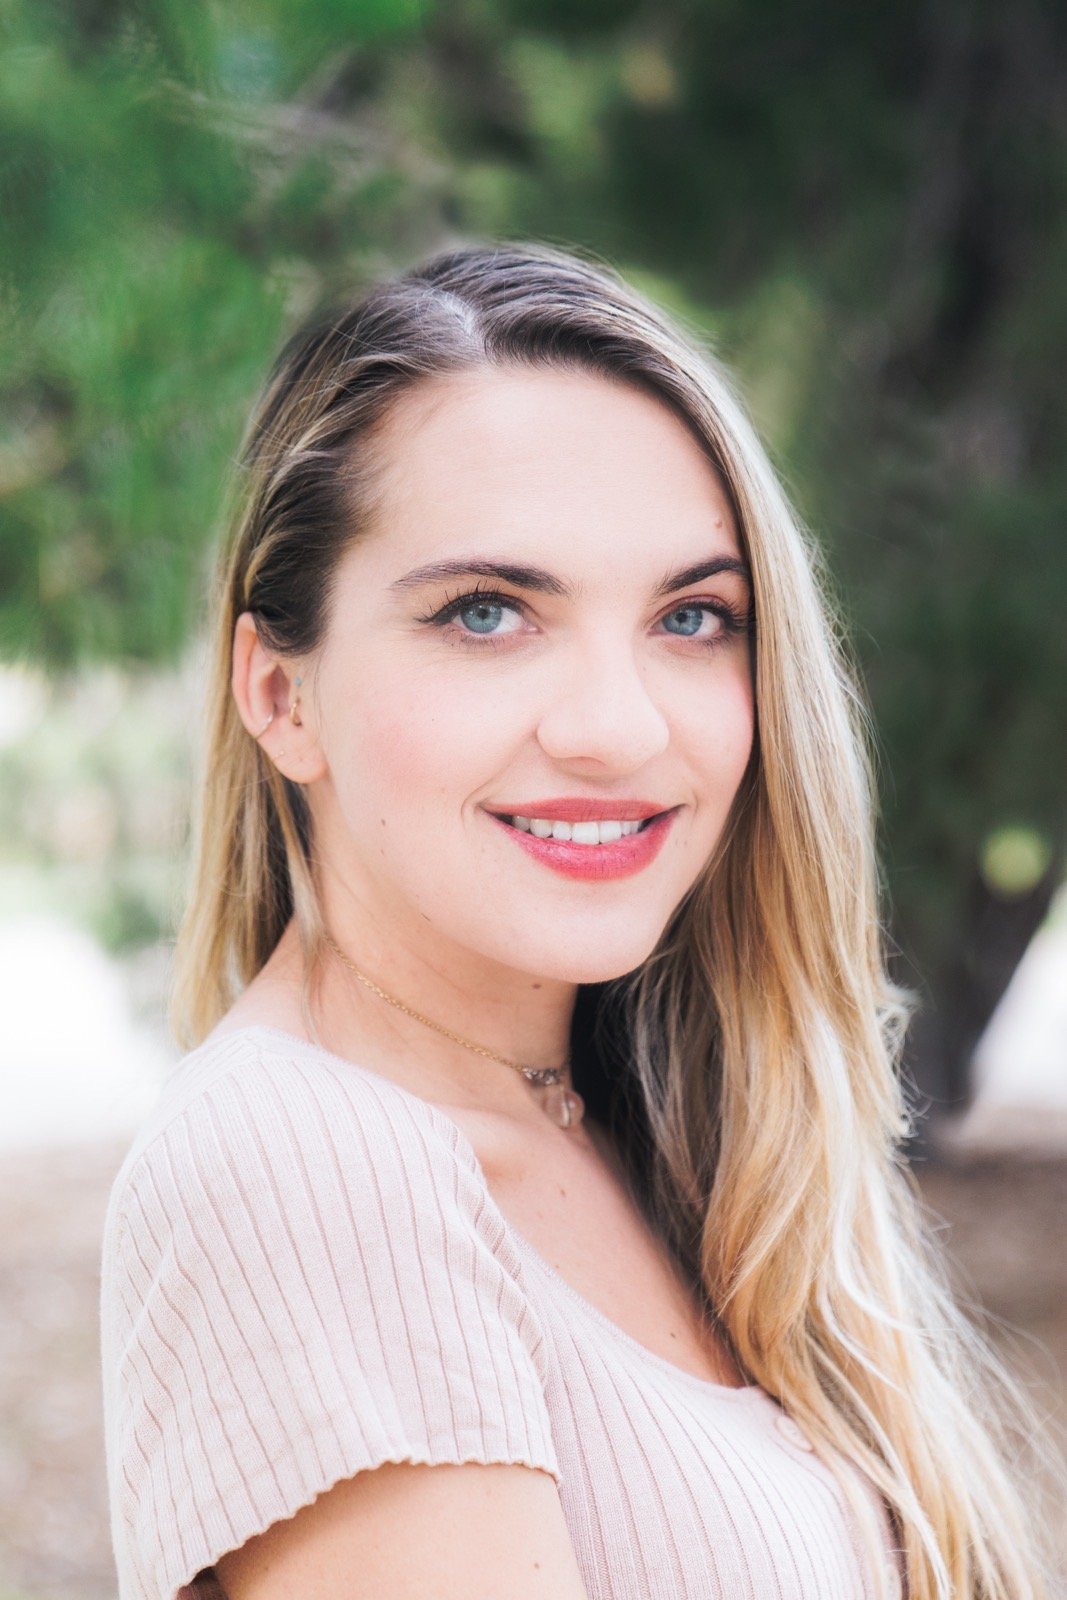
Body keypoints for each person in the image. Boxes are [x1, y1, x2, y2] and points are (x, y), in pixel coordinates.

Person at [99, 241, 1058, 1600]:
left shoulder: (658, 1122)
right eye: (488, 613)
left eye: (692, 616)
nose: (617, 728)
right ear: (279, 694)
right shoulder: (307, 1171)